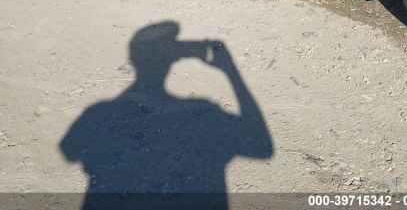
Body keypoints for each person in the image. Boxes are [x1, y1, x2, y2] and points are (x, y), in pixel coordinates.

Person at [60, 21, 273, 210]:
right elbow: (261, 148)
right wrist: (230, 71)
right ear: (173, 60)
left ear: (133, 59)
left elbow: (69, 150)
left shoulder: (98, 112)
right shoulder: (202, 110)